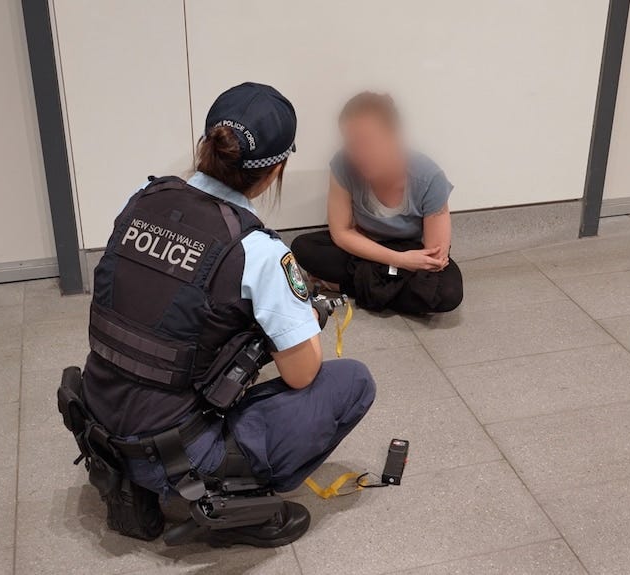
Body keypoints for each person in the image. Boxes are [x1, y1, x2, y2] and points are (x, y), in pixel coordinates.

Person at [61, 83, 375, 548]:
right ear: (275, 171)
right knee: (353, 382)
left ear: (206, 144)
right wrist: (287, 322)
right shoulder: (259, 251)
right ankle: (233, 507)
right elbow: (303, 373)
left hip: (99, 422)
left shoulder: (142, 198)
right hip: (178, 455)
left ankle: (131, 479)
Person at [291, 92, 463, 314]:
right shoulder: (343, 164)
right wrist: (399, 261)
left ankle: (345, 287)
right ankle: (382, 288)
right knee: (303, 248)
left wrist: (406, 259)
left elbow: (435, 258)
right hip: (370, 249)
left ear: (393, 136)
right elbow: (341, 233)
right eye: (351, 144)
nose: (359, 153)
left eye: (368, 142)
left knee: (447, 292)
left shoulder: (429, 177)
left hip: (410, 250)